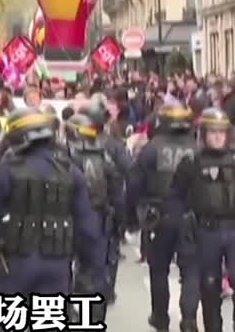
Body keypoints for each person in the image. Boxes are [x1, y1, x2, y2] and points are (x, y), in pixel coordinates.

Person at [0, 107, 105, 298]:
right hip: (56, 268)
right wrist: (90, 268)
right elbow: (87, 228)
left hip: (12, 266)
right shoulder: (71, 172)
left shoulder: (4, 172)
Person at [127, 100, 199, 332]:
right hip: (191, 217)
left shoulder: (151, 149)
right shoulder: (197, 148)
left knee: (159, 269)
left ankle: (161, 318)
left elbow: (135, 183)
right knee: (191, 269)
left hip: (159, 216)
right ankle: (188, 319)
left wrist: (131, 216)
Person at [168, 107, 233, 332]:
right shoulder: (191, 163)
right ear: (203, 134)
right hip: (206, 232)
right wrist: (182, 227)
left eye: (221, 132)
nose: (217, 136)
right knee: (209, 287)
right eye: (213, 131)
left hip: (233, 230)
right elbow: (175, 199)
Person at [64, 113, 125, 317]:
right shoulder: (104, 158)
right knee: (95, 272)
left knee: (64, 267)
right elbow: (117, 193)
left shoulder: (64, 158)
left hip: (69, 220)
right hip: (98, 221)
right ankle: (93, 316)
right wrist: (120, 223)